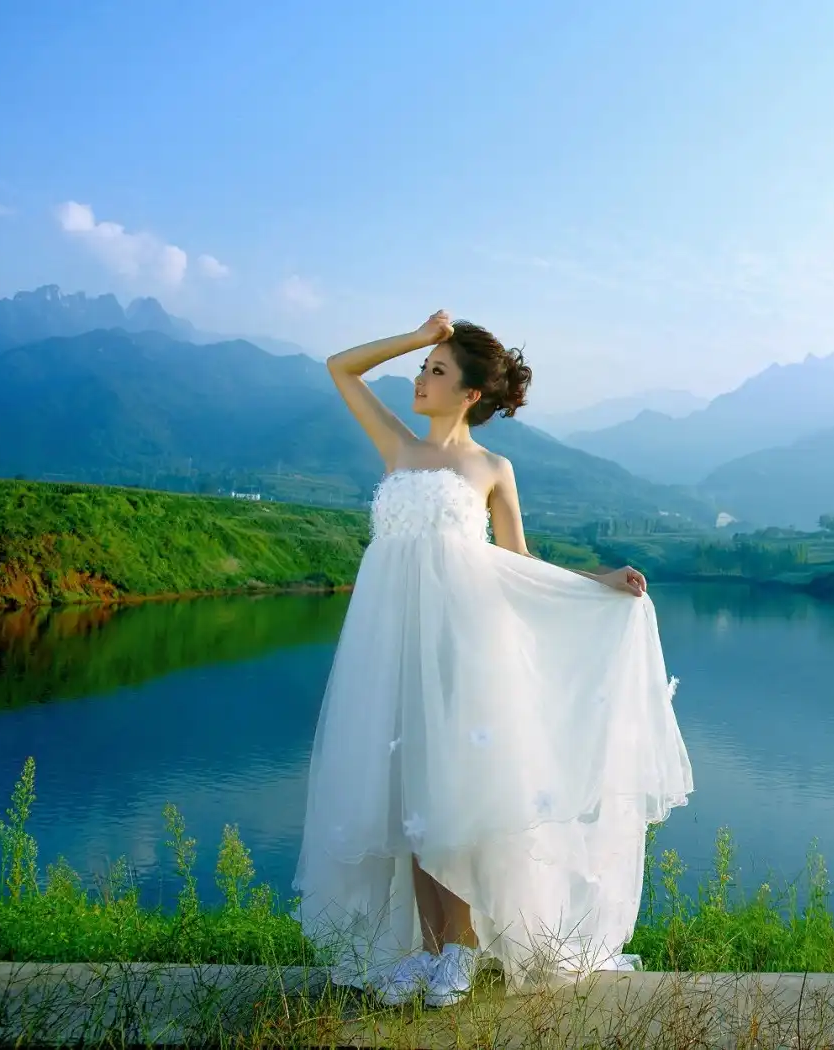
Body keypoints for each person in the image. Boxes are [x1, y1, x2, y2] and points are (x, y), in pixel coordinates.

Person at [293, 311, 693, 1008]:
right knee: (408, 797)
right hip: (390, 646)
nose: (420, 379)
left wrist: (603, 583)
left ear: (470, 394)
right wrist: (421, 338)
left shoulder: (490, 469)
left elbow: (519, 562)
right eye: (424, 369)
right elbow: (340, 367)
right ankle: (426, 948)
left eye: (437, 372)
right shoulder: (398, 449)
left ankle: (463, 948)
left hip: (461, 645)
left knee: (453, 796)